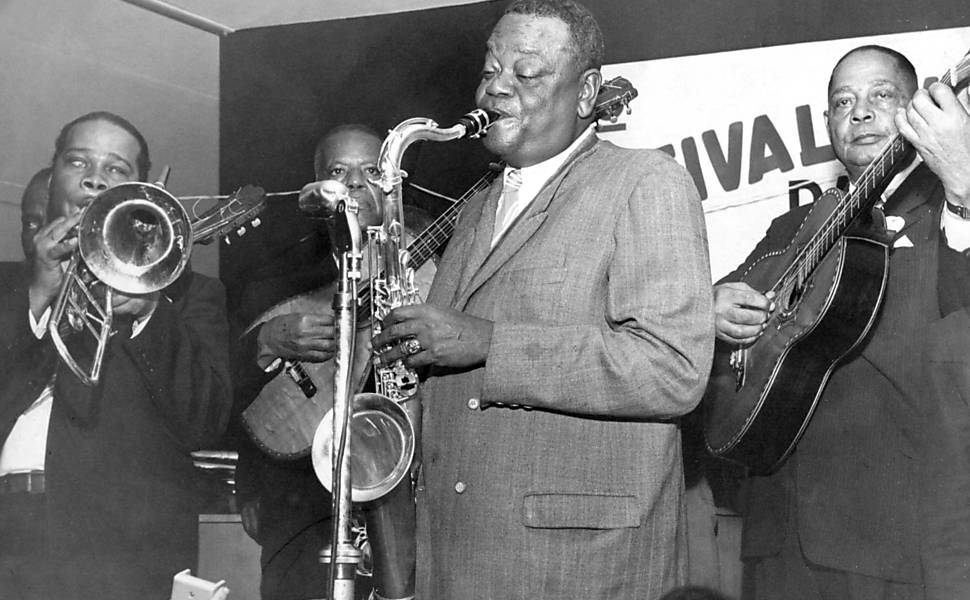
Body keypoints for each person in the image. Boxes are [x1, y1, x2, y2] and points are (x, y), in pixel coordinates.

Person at [371, 1, 714, 597]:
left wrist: (490, 344)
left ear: (587, 94)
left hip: (579, 568)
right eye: (489, 70)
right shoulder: (475, 208)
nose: (496, 87)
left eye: (525, 72)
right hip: (454, 559)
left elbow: (673, 370)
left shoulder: (647, 182)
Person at [713, 46, 970, 599]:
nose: (860, 112)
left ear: (918, 109)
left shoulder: (953, 205)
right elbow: (709, 322)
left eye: (882, 95)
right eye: (843, 102)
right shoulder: (791, 227)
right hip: (776, 535)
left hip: (892, 538)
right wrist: (714, 310)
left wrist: (965, 191)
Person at [0, 111, 233, 599]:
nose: (94, 178)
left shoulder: (190, 295)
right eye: (78, 161)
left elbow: (206, 420)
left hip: (124, 550)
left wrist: (150, 310)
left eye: (115, 168)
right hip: (11, 539)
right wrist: (38, 294)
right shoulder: (8, 287)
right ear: (53, 176)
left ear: (140, 189)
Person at [232, 123, 434, 600]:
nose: (357, 184)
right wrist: (250, 488)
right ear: (316, 187)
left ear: (393, 184)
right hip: (301, 500)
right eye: (340, 172)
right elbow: (229, 391)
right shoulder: (279, 271)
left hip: (406, 490)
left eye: (372, 171)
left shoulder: (434, 262)